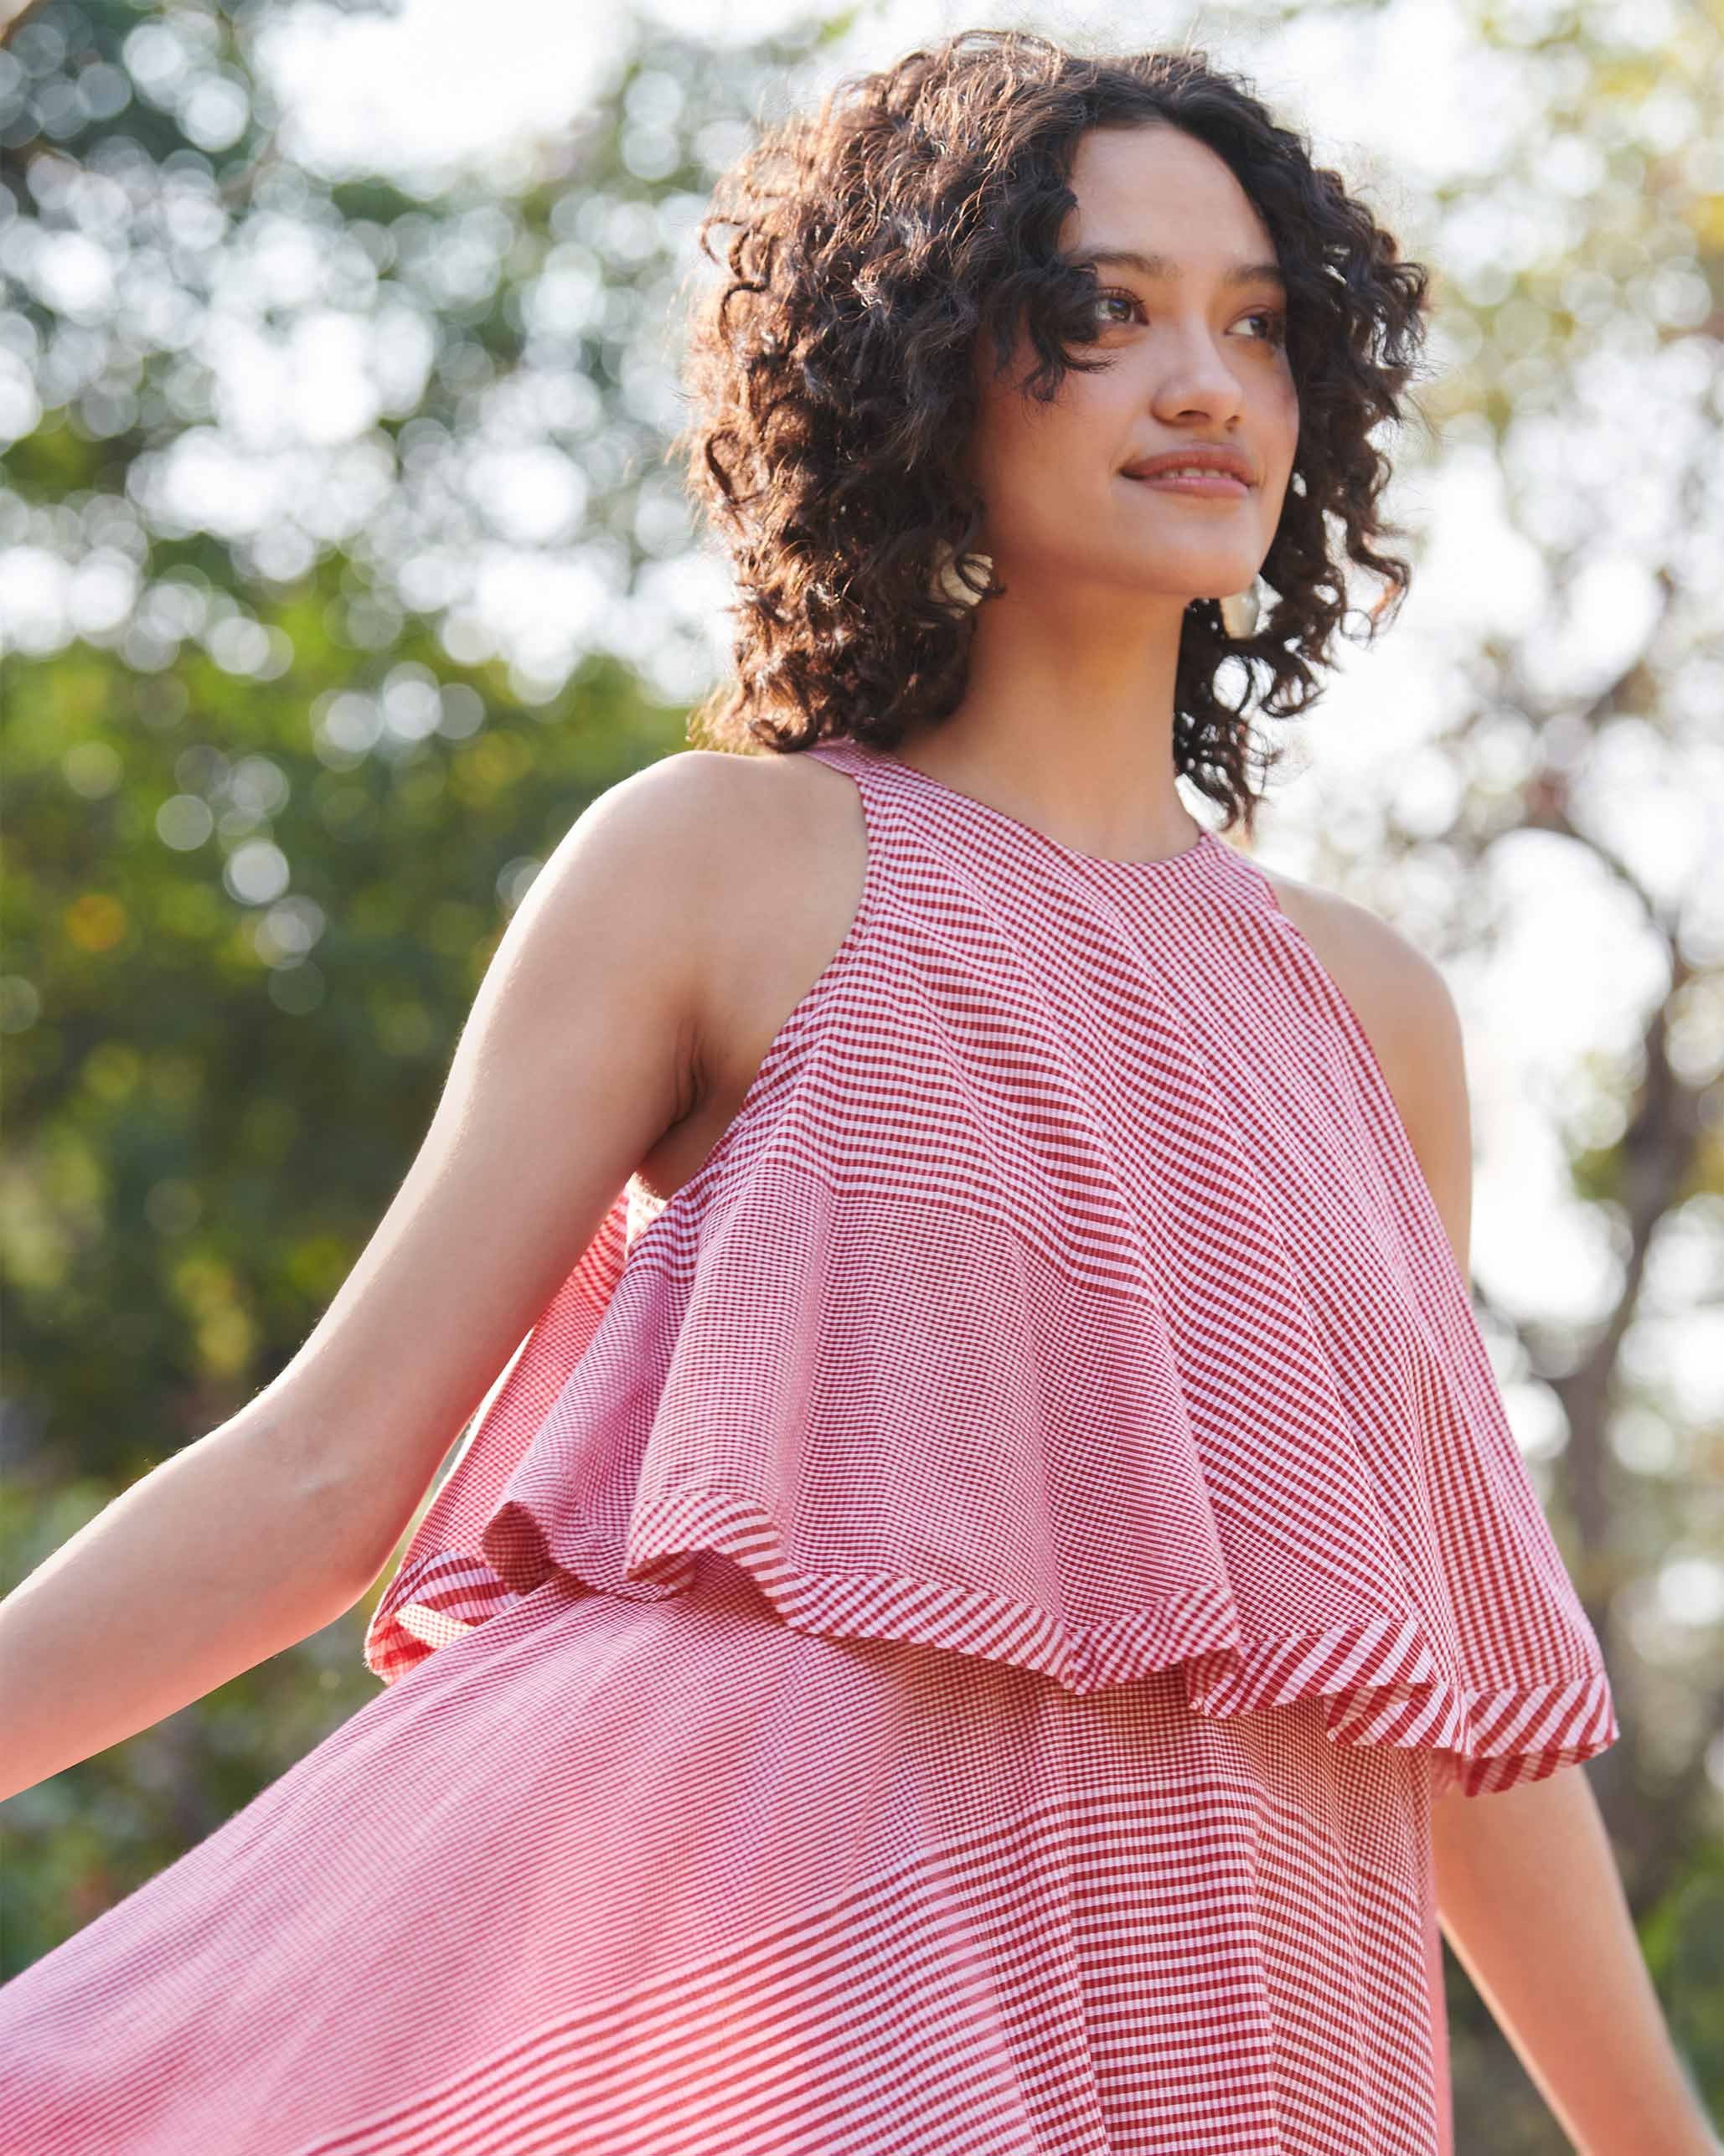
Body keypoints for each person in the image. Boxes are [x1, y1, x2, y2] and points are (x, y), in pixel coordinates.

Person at [1, 27, 1714, 2156]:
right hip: (815, 2042)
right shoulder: (729, 865)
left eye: (1257, 326)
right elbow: (318, 1482)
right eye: (1098, 312)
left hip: (1258, 2043)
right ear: (921, 372)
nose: (1202, 382)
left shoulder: (1374, 1019)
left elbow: (1432, 1676)